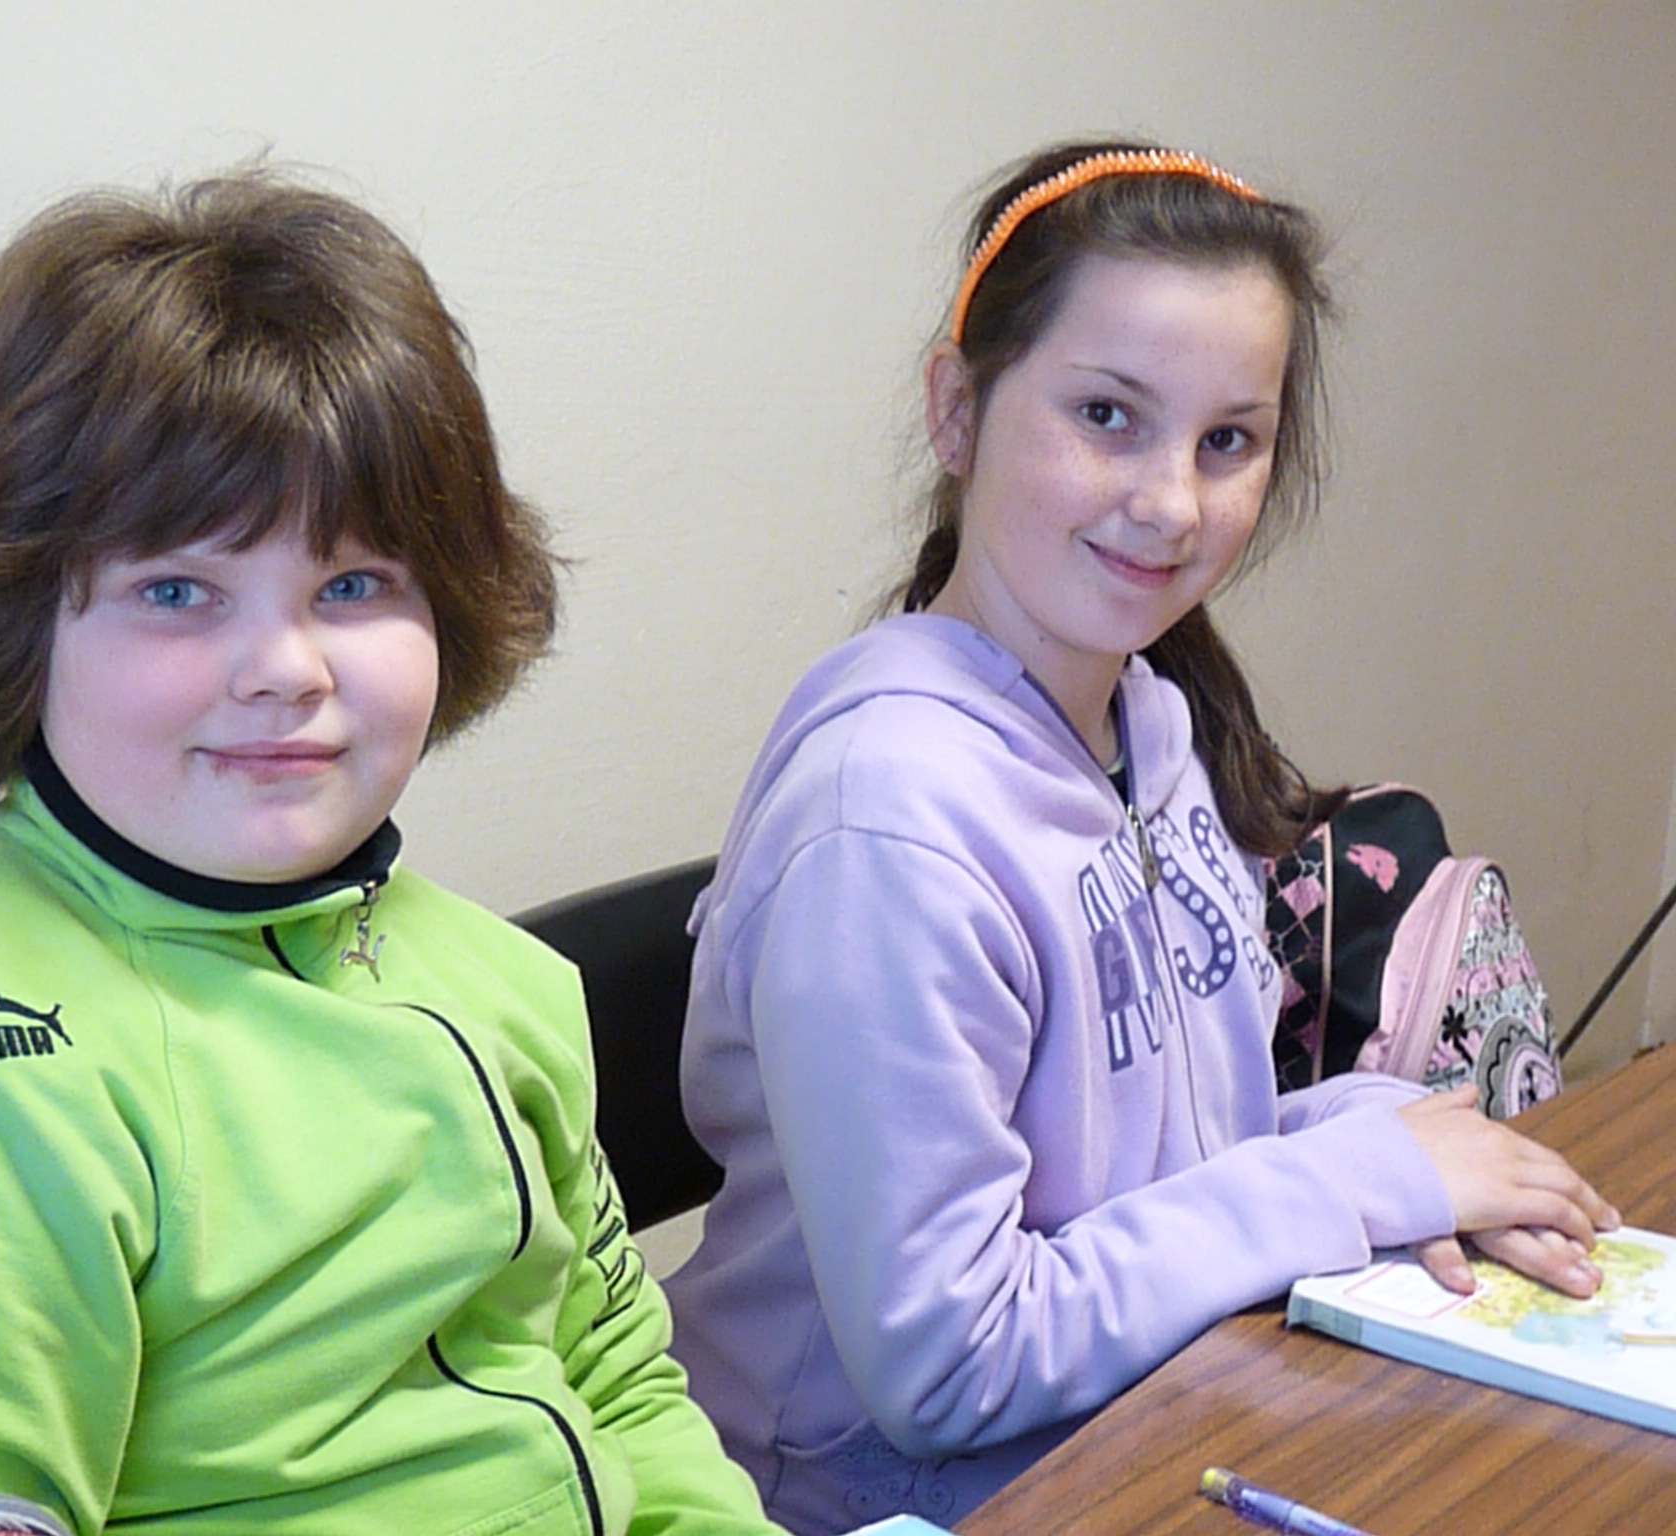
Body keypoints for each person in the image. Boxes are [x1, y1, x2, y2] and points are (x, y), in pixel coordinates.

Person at [0, 169, 784, 1536]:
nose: (286, 668)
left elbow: (613, 1379)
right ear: (13, 623)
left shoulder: (494, 979)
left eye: (354, 584)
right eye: (176, 590)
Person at [662, 141, 1620, 1534]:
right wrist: (1342, 1181)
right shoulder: (888, 827)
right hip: (872, 1498)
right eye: (1108, 415)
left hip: (1160, 1417)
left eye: (1228, 440)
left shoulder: (1148, 728)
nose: (1173, 502)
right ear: (957, 409)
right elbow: (949, 1366)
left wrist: (1395, 1136)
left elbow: (1164, 1161)